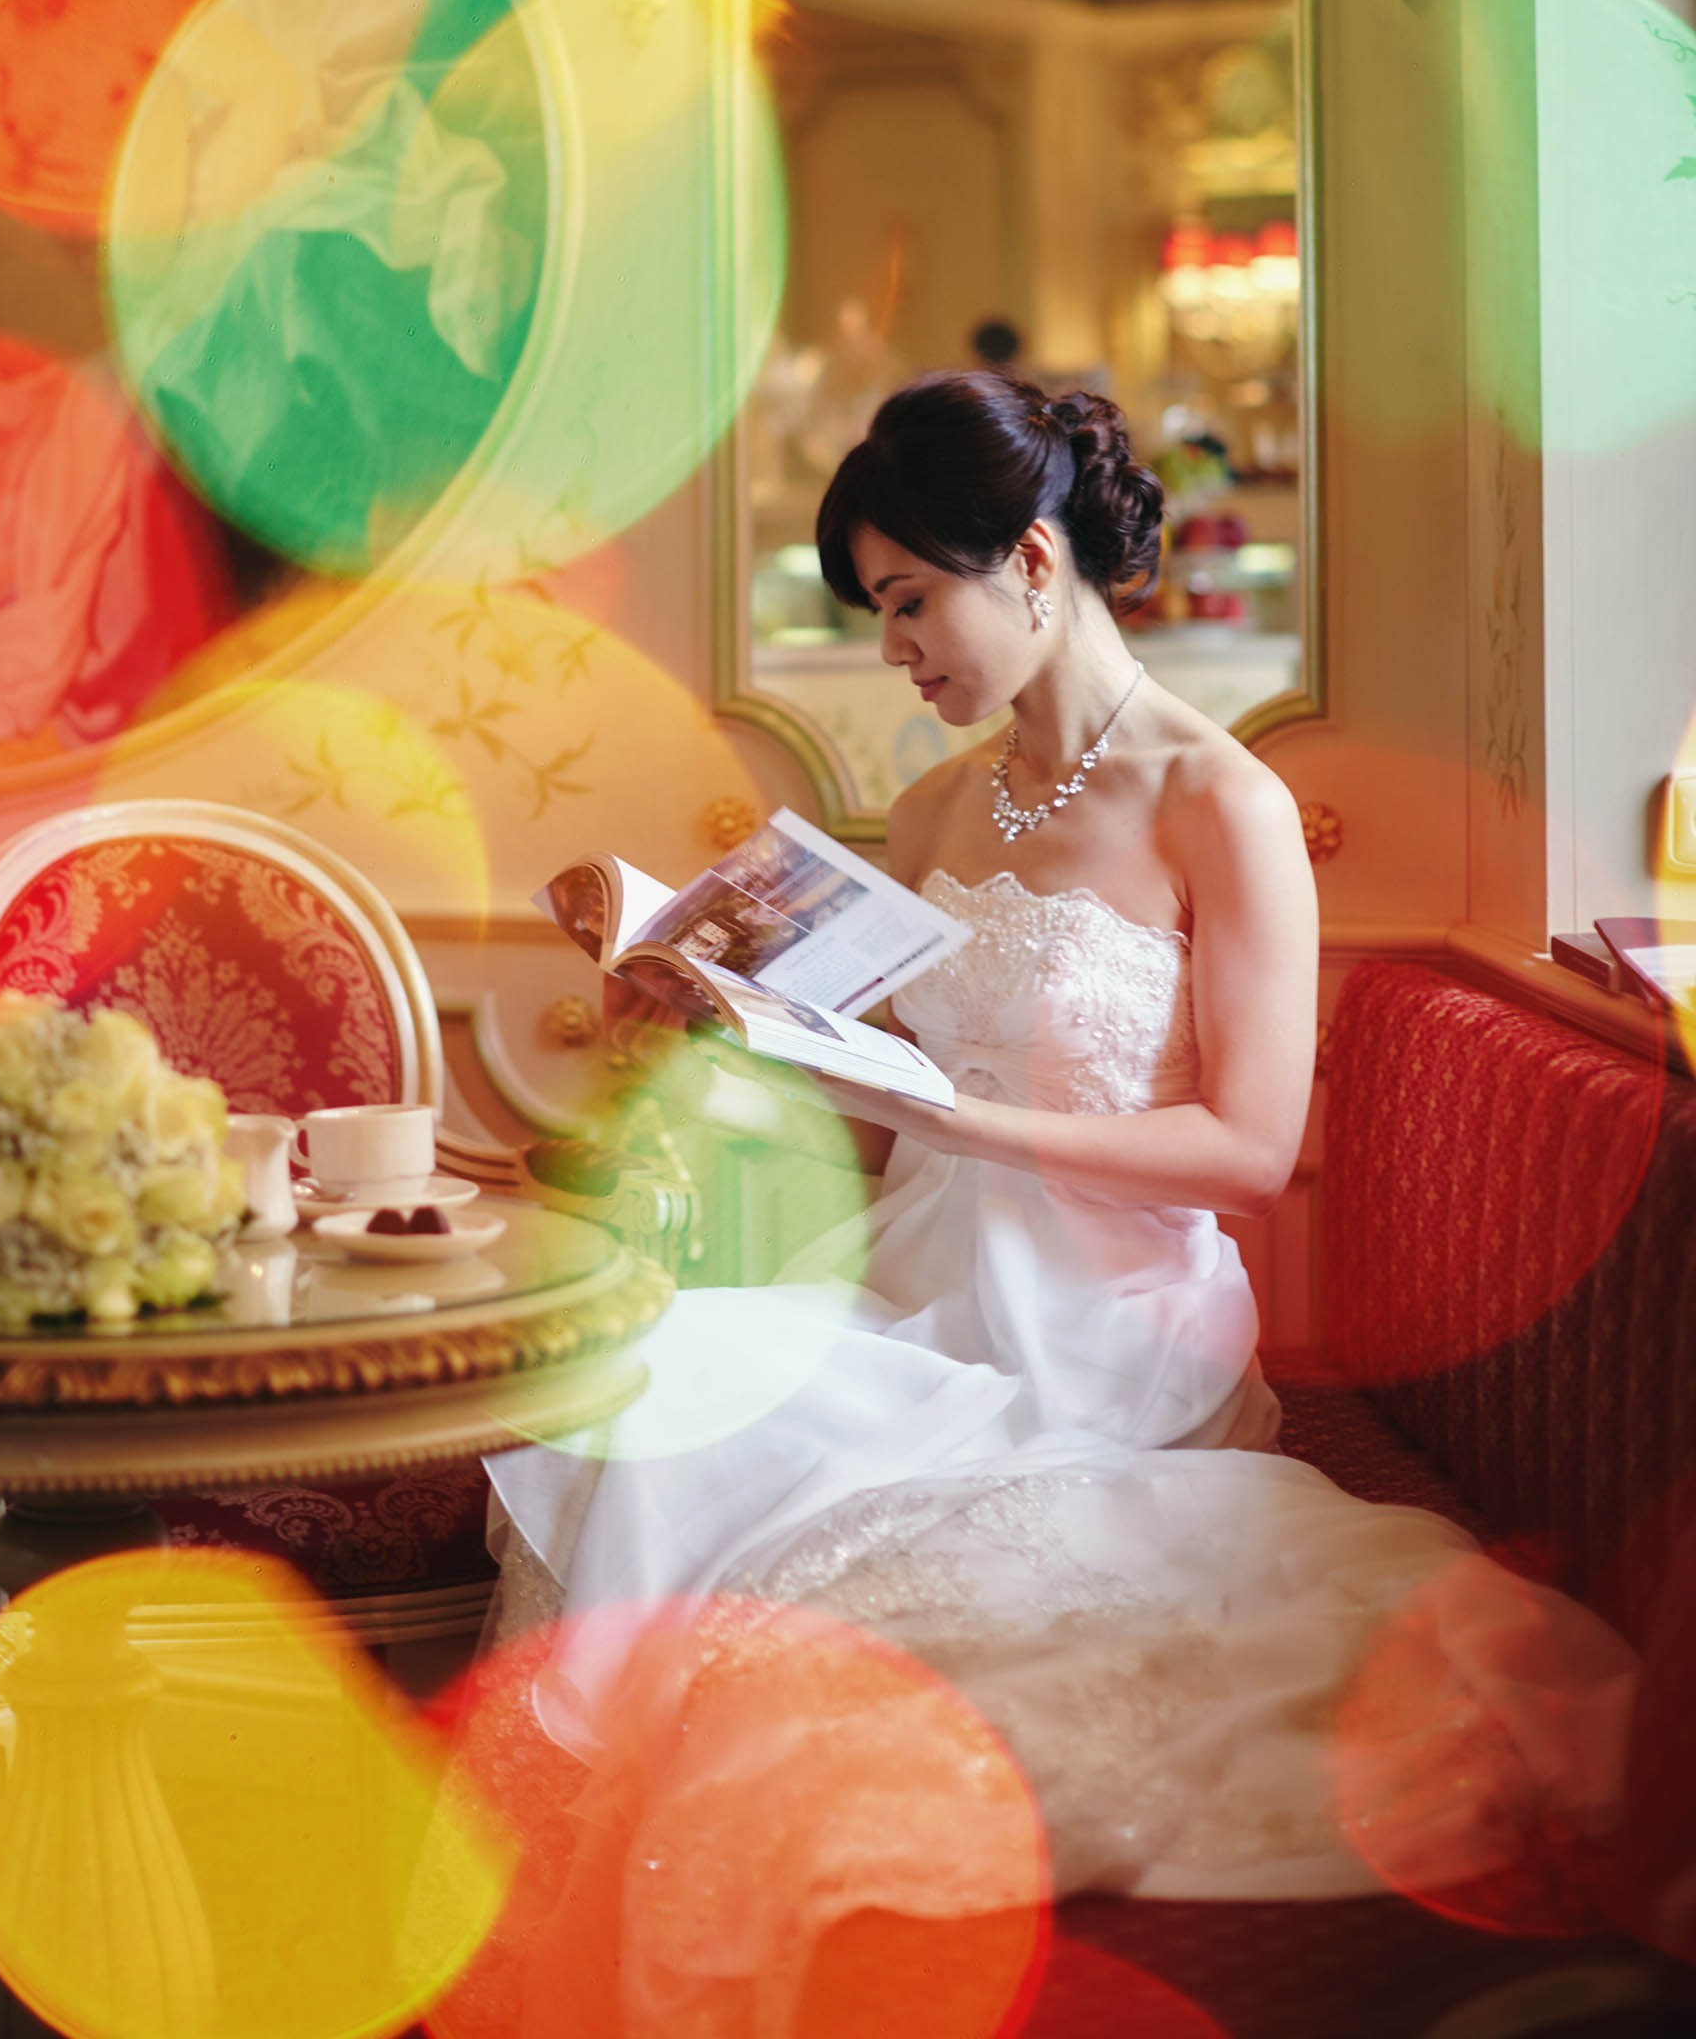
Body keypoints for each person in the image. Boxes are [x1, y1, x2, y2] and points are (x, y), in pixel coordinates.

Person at [482, 371, 1634, 1966]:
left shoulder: (1221, 801)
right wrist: (723, 1030)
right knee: (639, 1372)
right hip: (911, 1281)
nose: (894, 652)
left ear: (1029, 561)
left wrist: (962, 1120)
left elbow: (1250, 1151)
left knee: (765, 1508)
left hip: (1107, 1325)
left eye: (907, 603)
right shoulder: (939, 804)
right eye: (879, 614)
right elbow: (877, 1112)